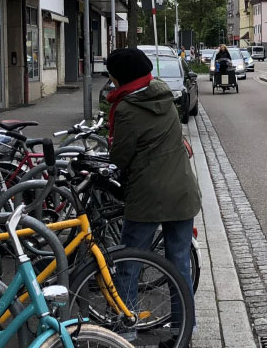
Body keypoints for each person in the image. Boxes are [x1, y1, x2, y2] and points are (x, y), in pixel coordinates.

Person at [105, 48, 200, 345]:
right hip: (182, 191)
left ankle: (126, 327)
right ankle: (182, 330)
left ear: (121, 77)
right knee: (179, 262)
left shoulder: (127, 109)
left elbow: (120, 156)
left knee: (130, 260)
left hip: (147, 195)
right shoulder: (165, 98)